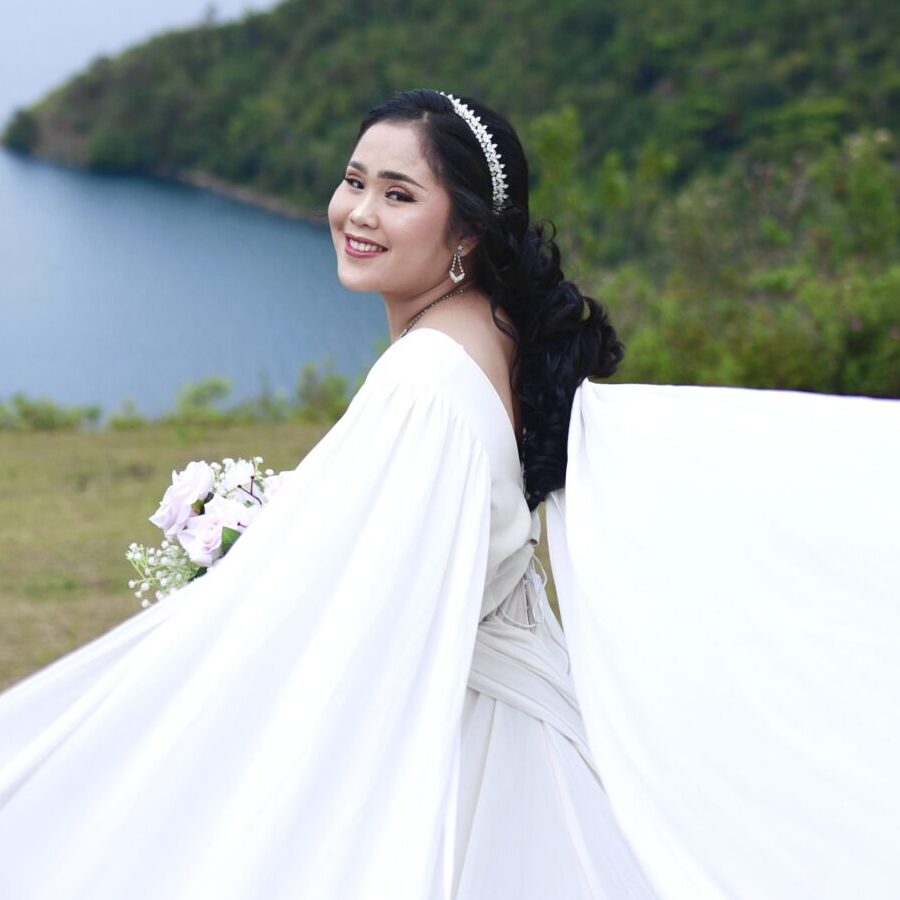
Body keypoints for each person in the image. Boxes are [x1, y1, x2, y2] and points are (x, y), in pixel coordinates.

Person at [0, 88, 898, 900]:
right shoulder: (490, 331)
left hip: (484, 745)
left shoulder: (427, 379)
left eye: (399, 194)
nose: (358, 212)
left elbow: (378, 606)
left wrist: (249, 578)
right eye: (355, 181)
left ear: (466, 232)